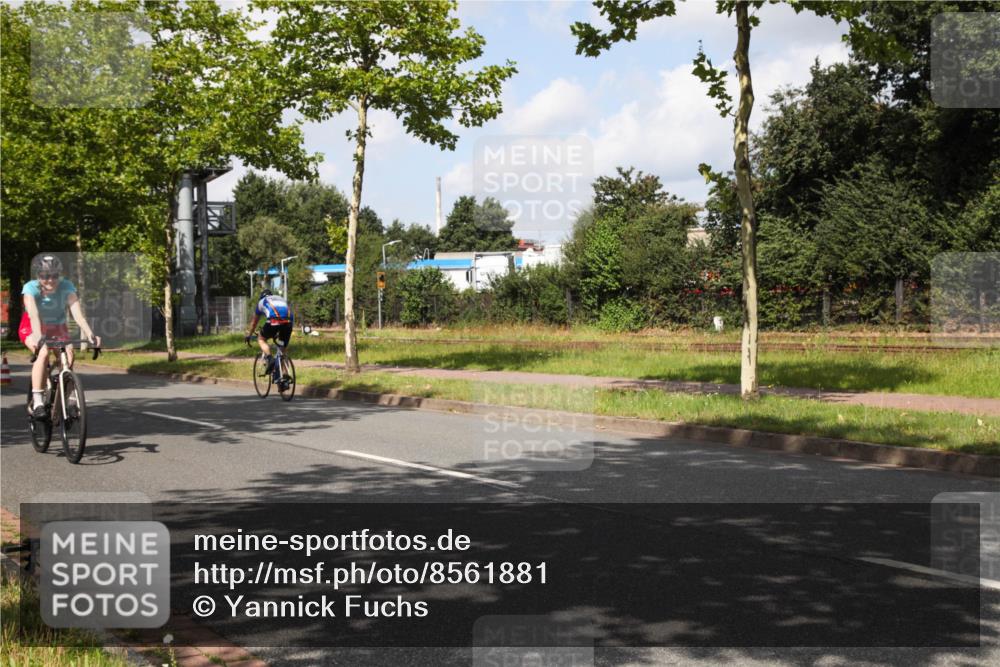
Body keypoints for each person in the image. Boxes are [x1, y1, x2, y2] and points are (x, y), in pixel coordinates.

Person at [19, 254, 101, 419]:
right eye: (45, 276)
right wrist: (37, 336)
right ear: (38, 275)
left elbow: (77, 314)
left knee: (69, 357)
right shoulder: (30, 288)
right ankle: (38, 403)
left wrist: (91, 334)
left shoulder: (67, 286)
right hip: (33, 325)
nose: (50, 280)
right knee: (42, 354)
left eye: (54, 276)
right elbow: (33, 315)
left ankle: (64, 398)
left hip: (57, 327)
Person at [244, 289, 293, 377]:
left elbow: (254, 323)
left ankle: (270, 359)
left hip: (274, 321)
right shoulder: (280, 298)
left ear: (261, 297)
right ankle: (285, 375)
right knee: (283, 350)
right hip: (288, 323)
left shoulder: (261, 302)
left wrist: (249, 335)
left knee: (261, 339)